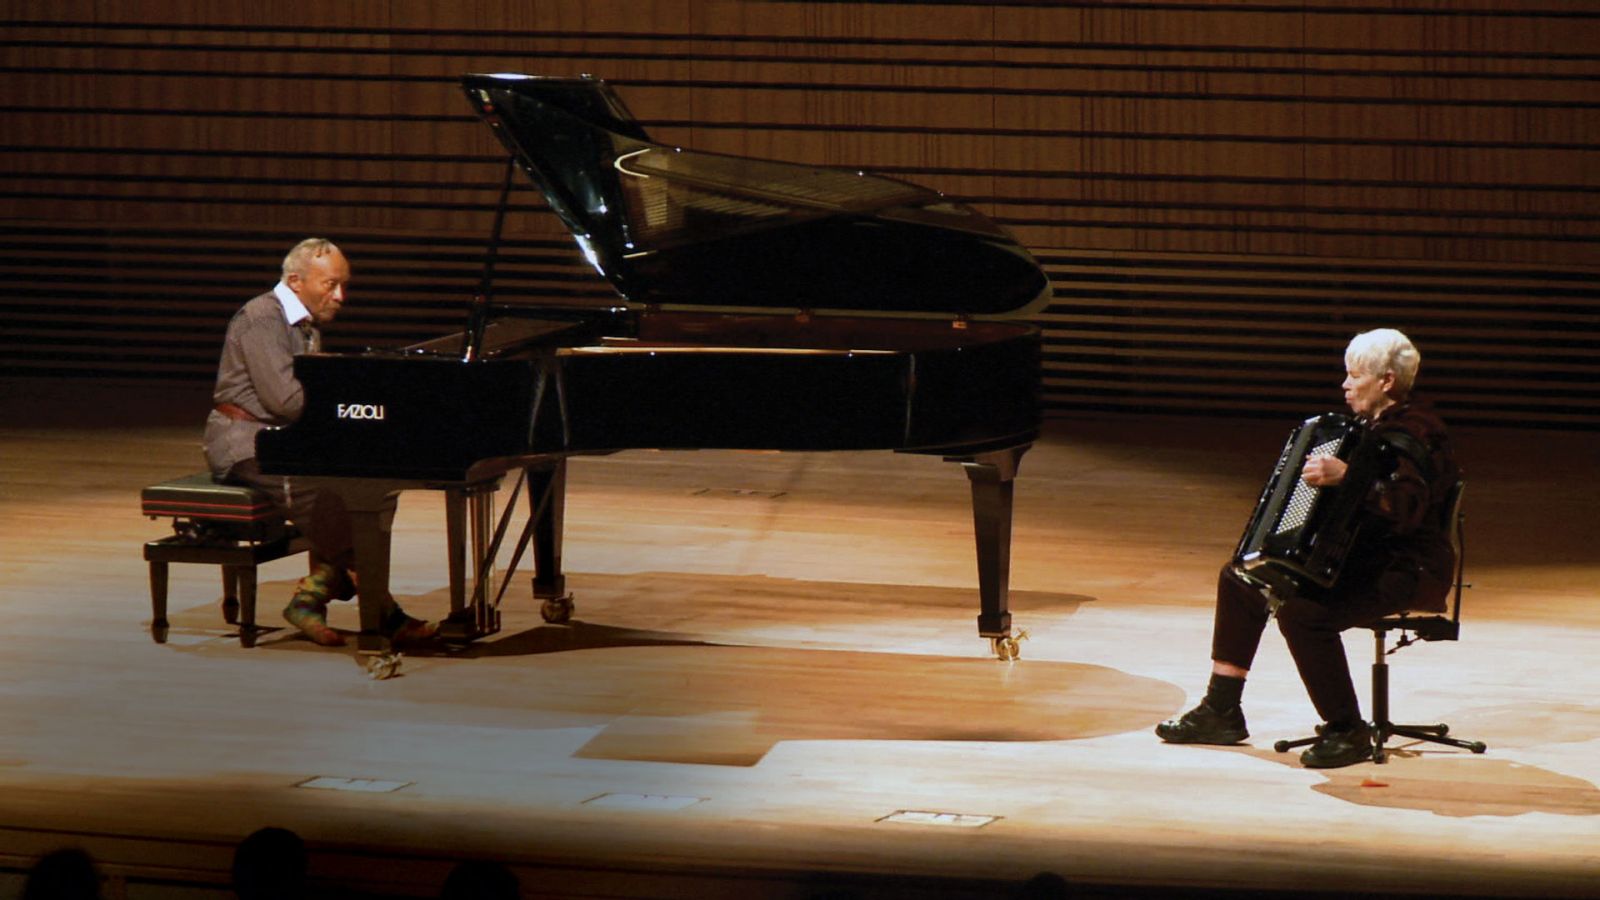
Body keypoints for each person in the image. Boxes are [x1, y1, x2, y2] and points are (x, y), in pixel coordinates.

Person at [1156, 328, 1460, 768]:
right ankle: (1220, 710)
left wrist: (1347, 477)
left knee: (1304, 614)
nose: (1345, 384)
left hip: (1406, 570)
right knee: (1242, 577)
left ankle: (1346, 729)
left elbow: (1406, 510)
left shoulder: (1414, 435)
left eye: (1355, 376)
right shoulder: (1369, 428)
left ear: (1387, 381)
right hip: (1362, 561)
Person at [204, 237, 435, 647]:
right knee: (332, 495)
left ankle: (310, 599)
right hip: (245, 441)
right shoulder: (262, 318)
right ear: (296, 281)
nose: (341, 296)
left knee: (374, 487)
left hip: (282, 438)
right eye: (331, 285)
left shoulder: (303, 323)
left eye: (344, 285)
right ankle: (384, 614)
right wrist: (341, 407)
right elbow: (285, 401)